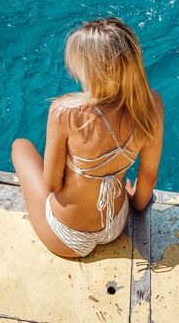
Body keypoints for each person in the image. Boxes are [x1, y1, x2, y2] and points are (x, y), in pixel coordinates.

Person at [11, 16, 164, 259]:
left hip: (67, 235)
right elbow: (149, 175)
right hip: (116, 225)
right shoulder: (151, 104)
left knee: (21, 146)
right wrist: (136, 203)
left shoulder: (65, 112)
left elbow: (52, 185)